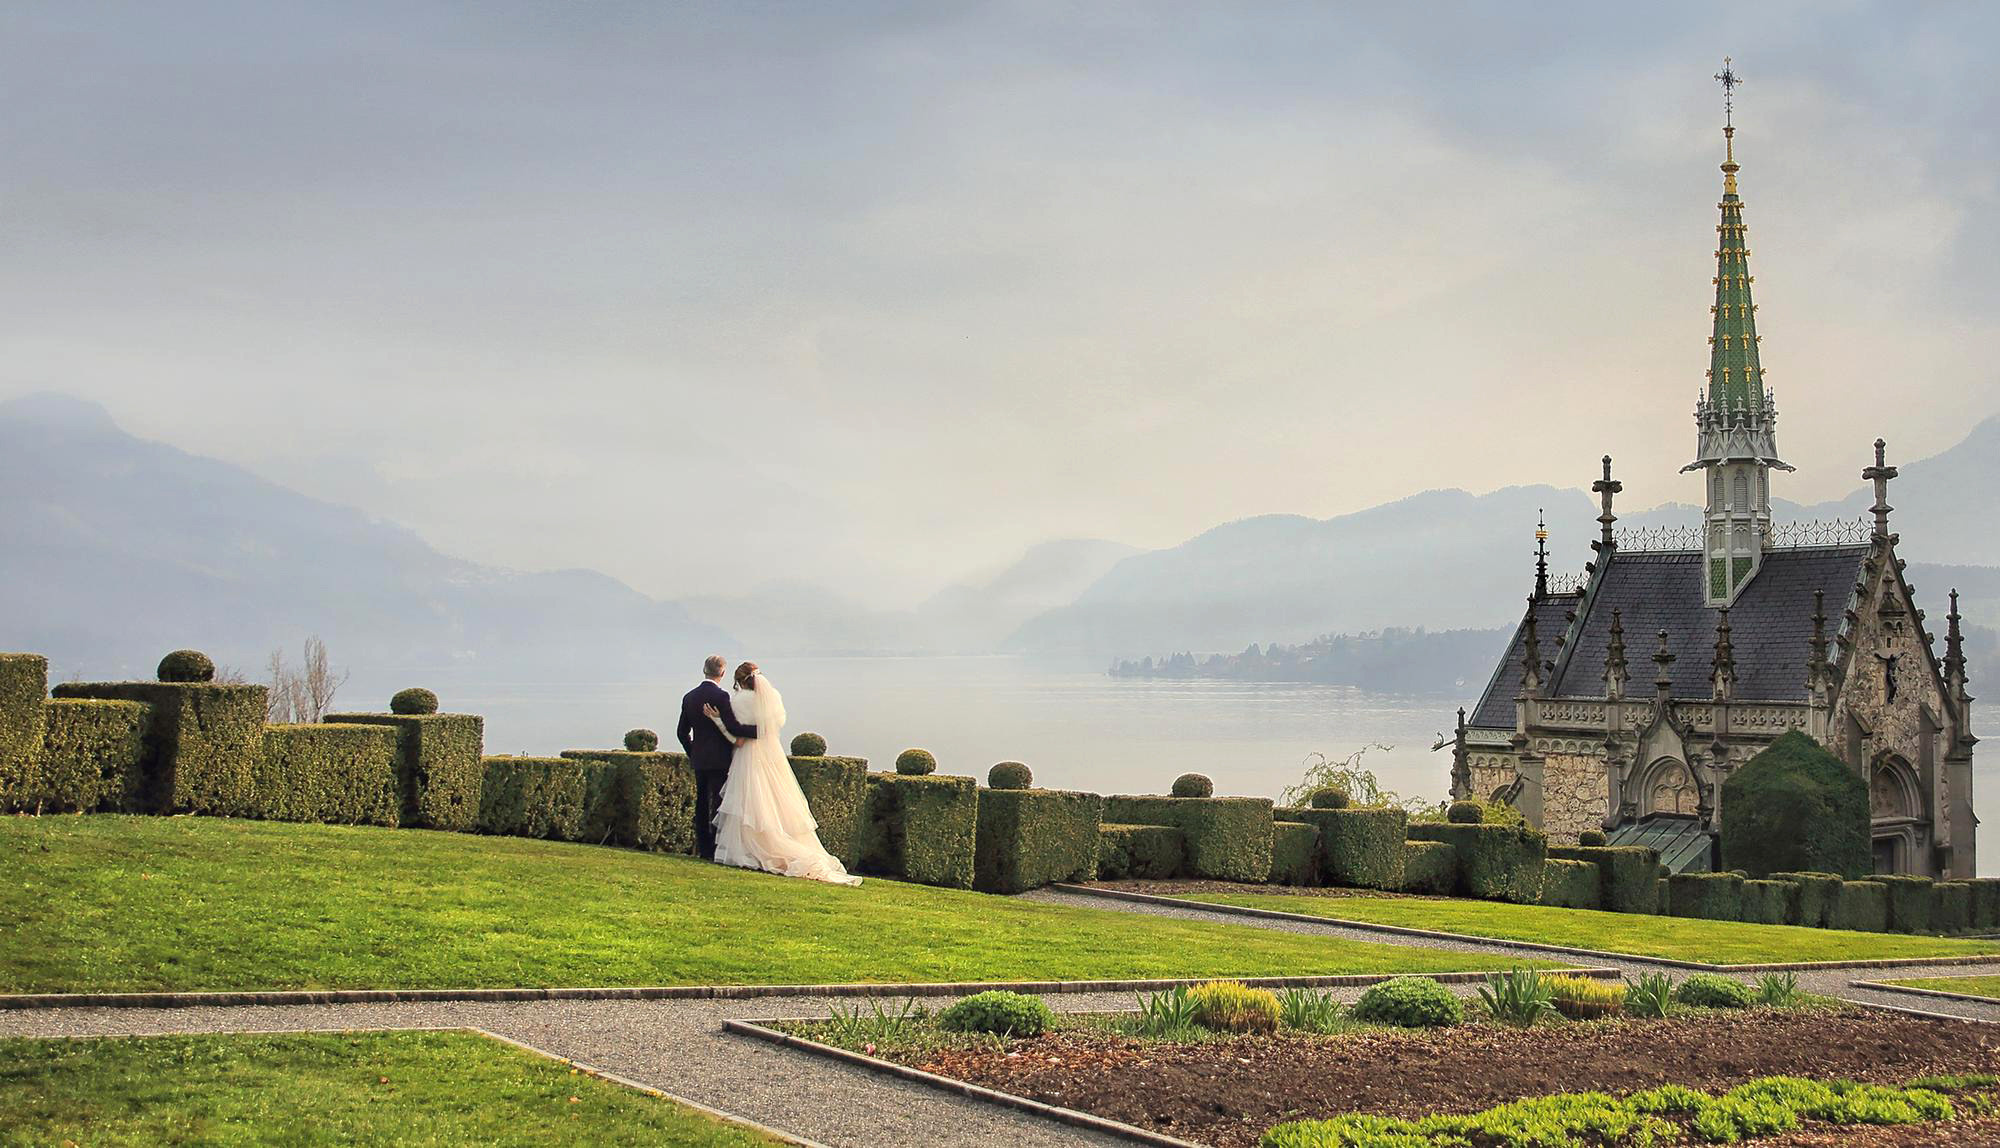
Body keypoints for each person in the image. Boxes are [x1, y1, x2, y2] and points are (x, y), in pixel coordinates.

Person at [705, 661, 860, 885]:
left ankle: (749, 848)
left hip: (748, 754)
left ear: (739, 681)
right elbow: (773, 726)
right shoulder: (773, 698)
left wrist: (717, 719)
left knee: (750, 800)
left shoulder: (739, 700)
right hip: (771, 754)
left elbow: (736, 733)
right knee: (774, 799)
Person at [677, 654, 757, 861]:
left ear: (704, 670)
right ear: (722, 672)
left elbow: (681, 732)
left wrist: (692, 751)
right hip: (721, 758)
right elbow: (732, 727)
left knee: (701, 803)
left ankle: (704, 849)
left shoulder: (689, 697)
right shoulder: (722, 697)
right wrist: (761, 731)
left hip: (700, 759)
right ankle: (717, 847)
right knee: (720, 803)